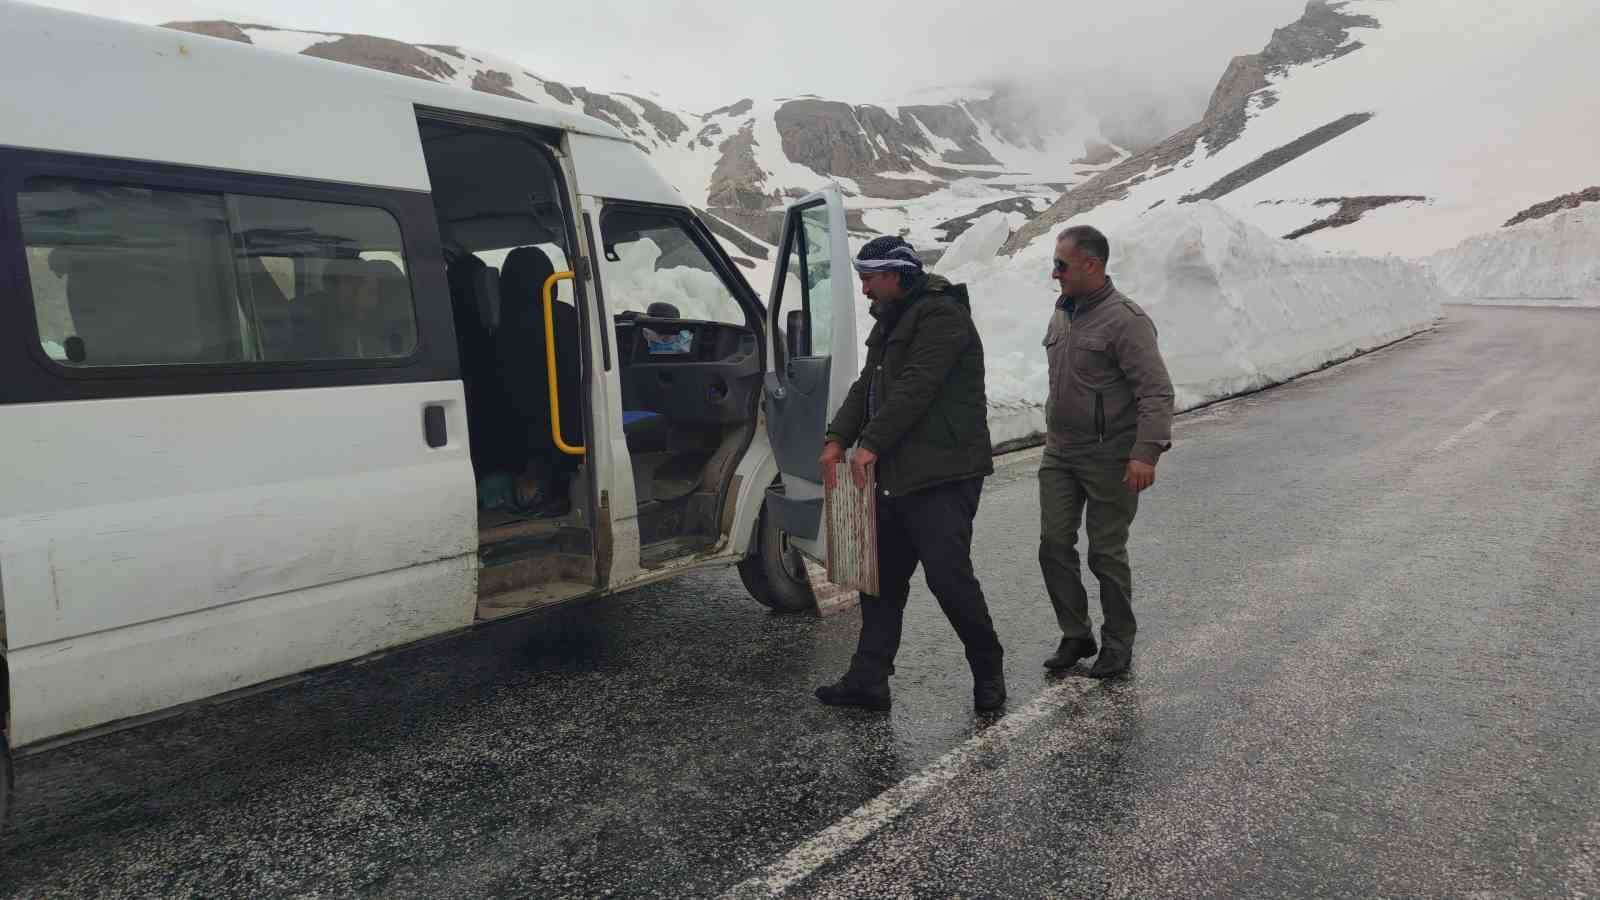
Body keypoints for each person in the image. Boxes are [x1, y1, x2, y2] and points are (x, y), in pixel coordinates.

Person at [815, 236, 1006, 712]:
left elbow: (916, 387)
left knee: (948, 578)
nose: (864, 292)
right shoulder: (893, 318)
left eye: (869, 280)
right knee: (879, 580)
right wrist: (838, 437)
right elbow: (870, 384)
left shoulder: (942, 317)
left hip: (944, 471)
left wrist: (871, 444)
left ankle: (989, 668)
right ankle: (868, 679)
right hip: (898, 473)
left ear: (896, 275)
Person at [1038, 225, 1175, 678]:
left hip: (1109, 456)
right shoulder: (1062, 314)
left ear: (1091, 265)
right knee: (1054, 545)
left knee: (1105, 552)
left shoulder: (1125, 320)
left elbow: (1155, 392)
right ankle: (1076, 634)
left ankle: (1118, 642)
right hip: (1059, 453)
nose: (1054, 273)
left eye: (1061, 264)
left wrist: (1146, 452)